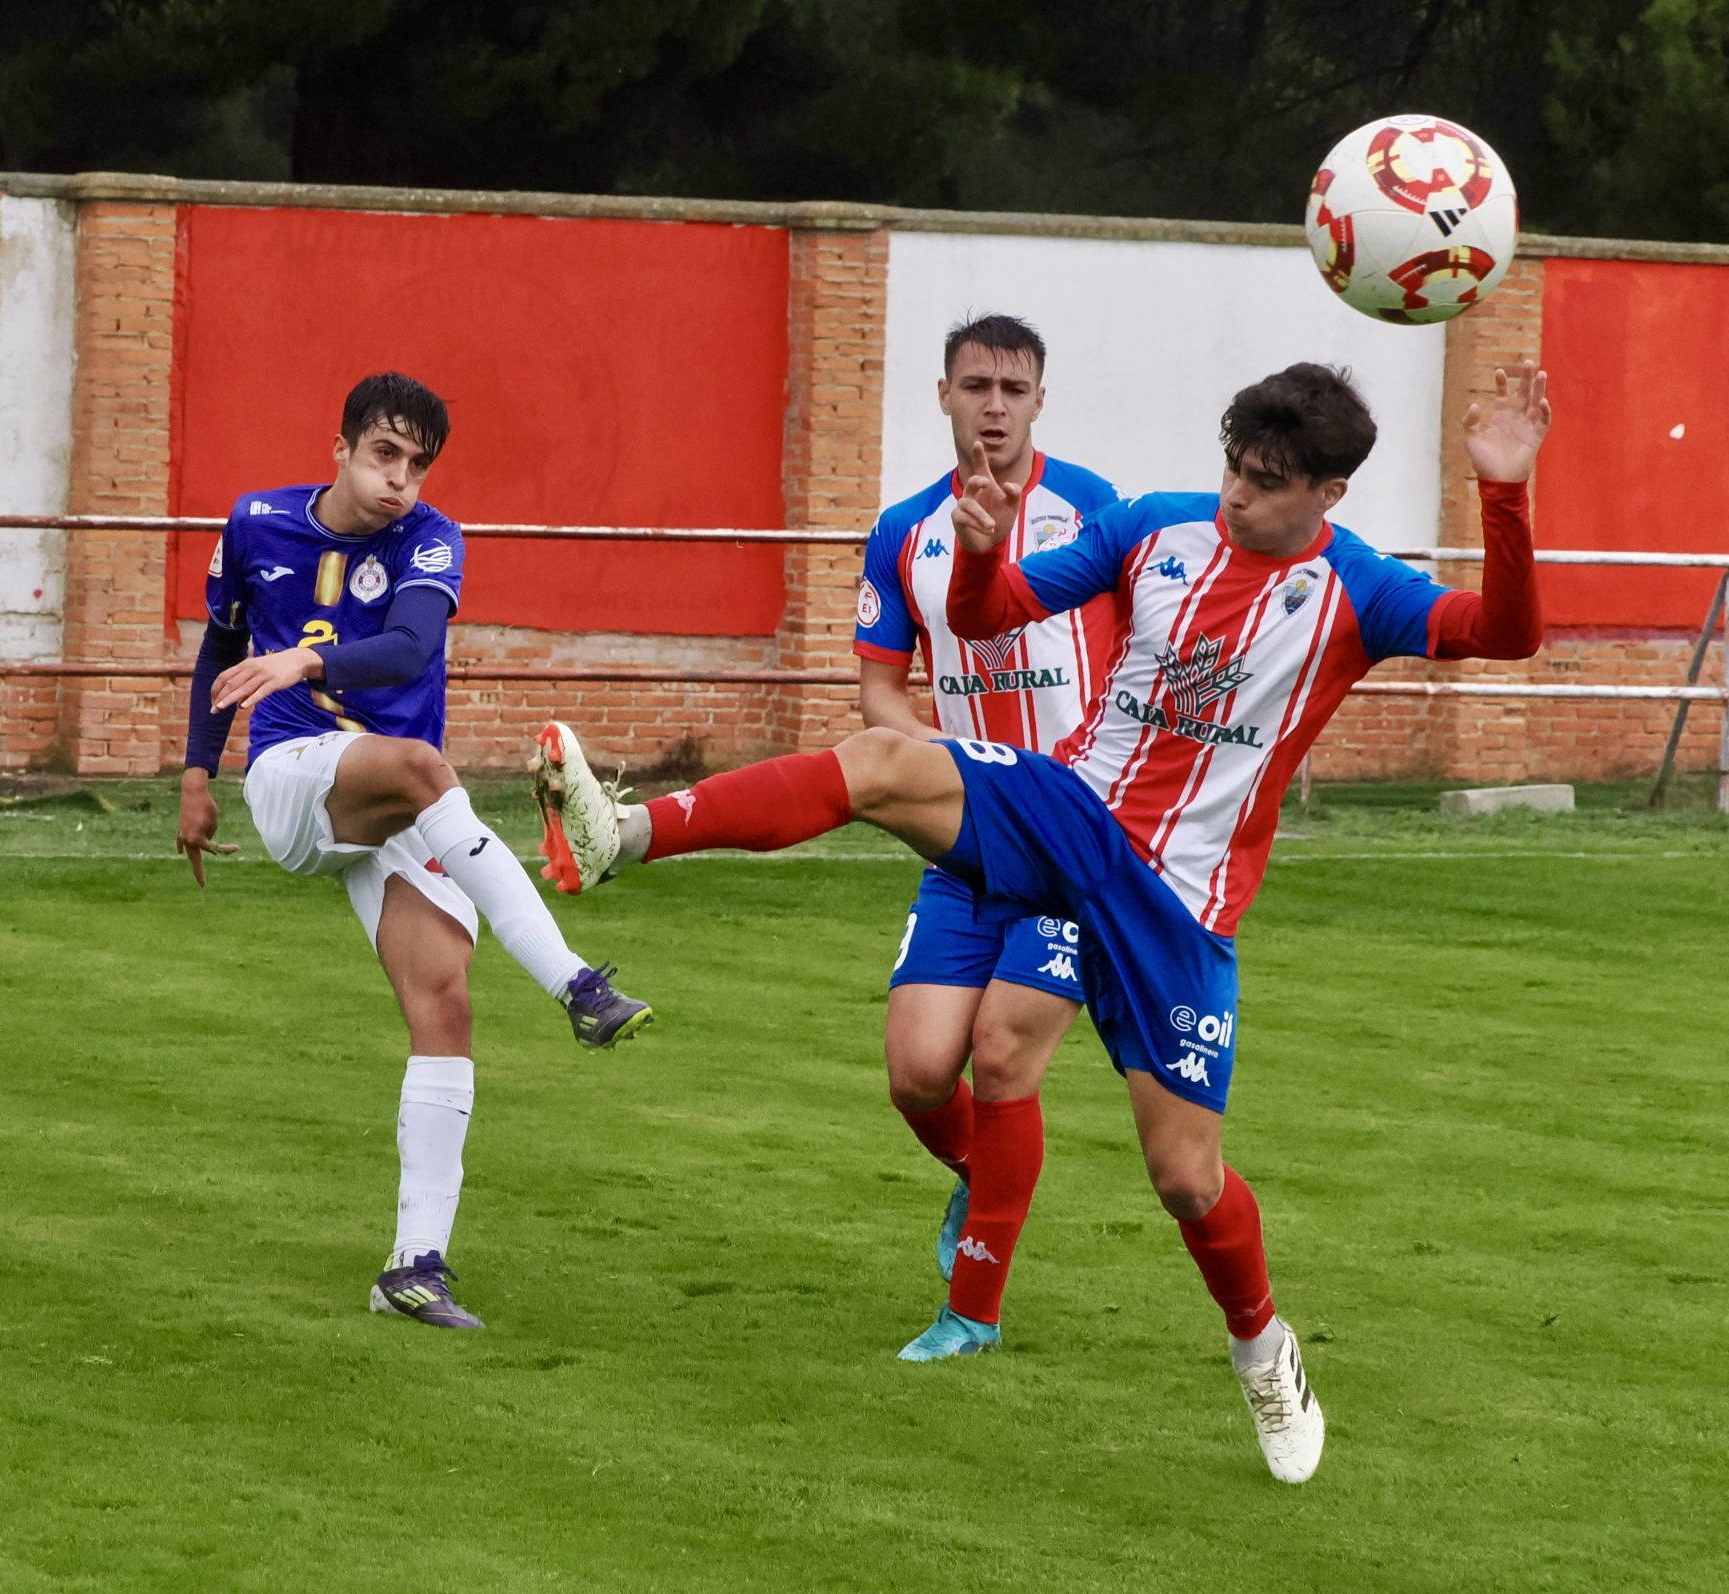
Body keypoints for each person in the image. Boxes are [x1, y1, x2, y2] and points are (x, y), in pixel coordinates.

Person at [531, 360, 1550, 1483]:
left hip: (1177, 904)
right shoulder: (1155, 529)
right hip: (1069, 809)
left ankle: (1263, 1348)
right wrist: (978, 551)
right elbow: (992, 615)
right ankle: (622, 833)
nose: (1237, 496)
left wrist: (1503, 493)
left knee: (1185, 1179)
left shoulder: (1362, 590)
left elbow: (1504, 634)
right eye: (1233, 469)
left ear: (1327, 495)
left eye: (1265, 484)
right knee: (881, 764)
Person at [176, 371, 653, 1333]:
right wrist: (196, 777)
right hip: (293, 777)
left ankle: (413, 1267)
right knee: (428, 766)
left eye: (417, 462)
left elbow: (406, 647)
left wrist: (305, 657)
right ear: (341, 449)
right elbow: (218, 646)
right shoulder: (255, 522)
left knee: (445, 1004)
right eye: (383, 454)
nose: (400, 479)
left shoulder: (431, 539)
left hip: (387, 808)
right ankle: (576, 987)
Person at [853, 313, 1121, 1360]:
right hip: (969, 839)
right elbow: (879, 686)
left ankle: (973, 1310)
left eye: (1014, 388)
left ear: (1040, 400)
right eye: (977, 386)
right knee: (920, 1074)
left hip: (1074, 842)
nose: (995, 405)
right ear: (945, 396)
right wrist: (938, 767)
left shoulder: (1093, 510)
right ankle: (987, 1179)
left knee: (1003, 1055)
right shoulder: (903, 532)